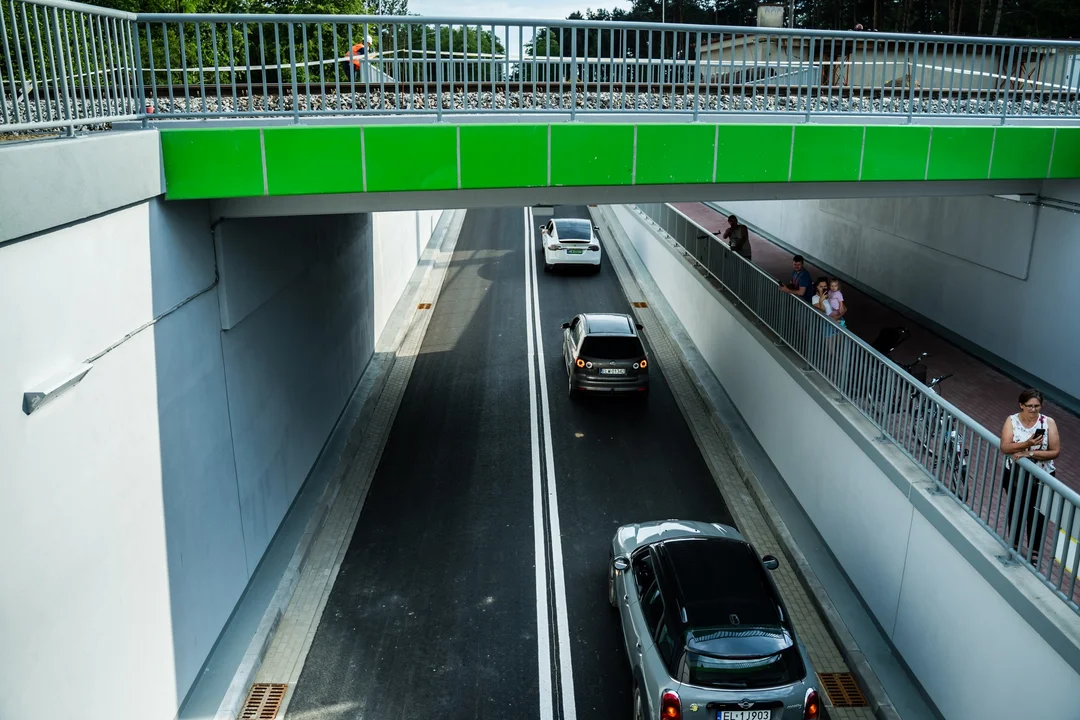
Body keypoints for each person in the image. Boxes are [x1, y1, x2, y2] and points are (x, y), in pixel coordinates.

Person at [999, 389, 1060, 565]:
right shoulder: (1012, 420)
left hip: (1042, 476)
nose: (1033, 409)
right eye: (1029, 406)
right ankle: (1015, 545)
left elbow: (1055, 451)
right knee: (1016, 509)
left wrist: (1029, 453)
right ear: (1021, 405)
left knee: (1038, 514)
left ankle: (1034, 552)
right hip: (1016, 475)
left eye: (1037, 406)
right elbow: (1005, 447)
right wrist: (1028, 443)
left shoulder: (1048, 422)